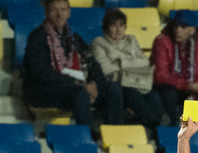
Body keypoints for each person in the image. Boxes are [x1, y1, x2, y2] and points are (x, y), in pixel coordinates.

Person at [23, 0, 123, 136]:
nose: (59, 14)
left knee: (113, 89)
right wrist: (79, 84)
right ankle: (89, 136)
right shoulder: (37, 37)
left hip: (77, 88)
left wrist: (94, 83)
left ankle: (114, 135)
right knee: (80, 92)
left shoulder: (74, 39)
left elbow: (93, 65)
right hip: (47, 91)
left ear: (69, 13)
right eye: (54, 10)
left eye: (63, 10)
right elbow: (42, 73)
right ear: (46, 13)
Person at [151, 12, 198, 134]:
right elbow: (160, 76)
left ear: (192, 29)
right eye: (176, 25)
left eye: (183, 26)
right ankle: (170, 131)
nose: (178, 29)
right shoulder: (162, 41)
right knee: (169, 92)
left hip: (193, 90)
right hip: (171, 89)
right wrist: (188, 85)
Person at [91, 10, 164, 131]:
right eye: (113, 25)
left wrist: (121, 62)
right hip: (115, 82)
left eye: (121, 25)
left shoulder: (131, 40)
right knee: (133, 94)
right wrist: (132, 61)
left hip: (136, 81)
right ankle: (154, 125)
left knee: (155, 96)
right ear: (106, 28)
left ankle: (161, 128)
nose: (118, 29)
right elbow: (106, 69)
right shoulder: (99, 43)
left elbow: (144, 62)